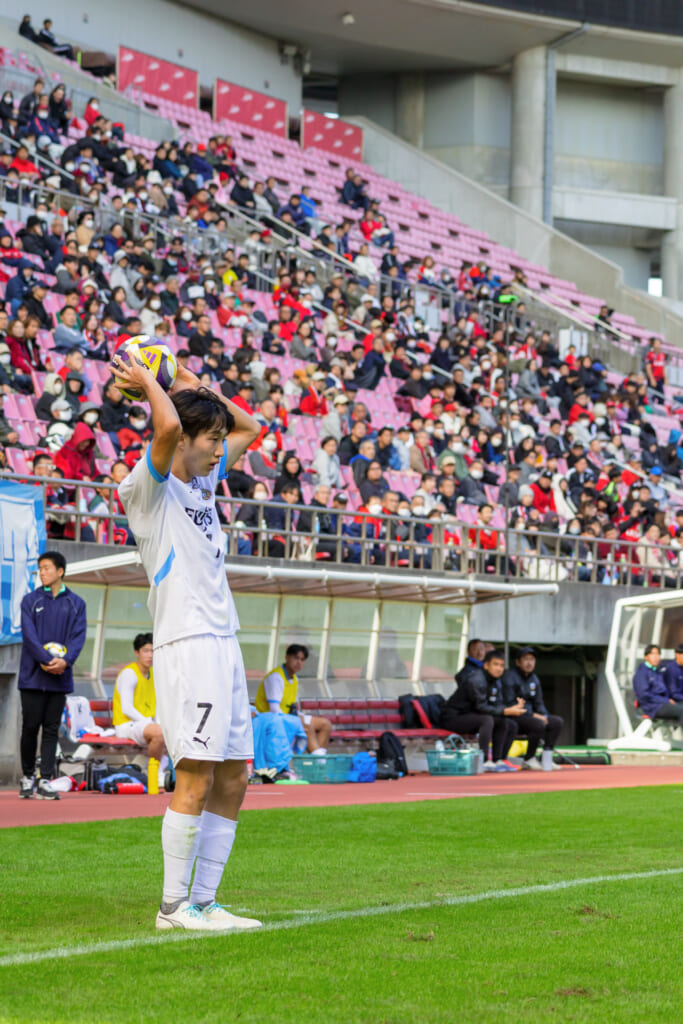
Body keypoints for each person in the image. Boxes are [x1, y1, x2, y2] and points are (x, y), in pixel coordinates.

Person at [114, 348, 263, 933]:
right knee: (197, 773)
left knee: (236, 774)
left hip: (224, 640)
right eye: (213, 441)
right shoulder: (146, 490)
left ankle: (205, 902)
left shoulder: (203, 484)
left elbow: (252, 425)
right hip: (188, 642)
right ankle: (173, 907)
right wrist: (154, 382)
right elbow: (167, 428)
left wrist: (187, 381)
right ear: (185, 441)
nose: (223, 449)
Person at [18, 551, 87, 800]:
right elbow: (29, 637)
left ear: (60, 571)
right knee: (30, 728)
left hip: (60, 678)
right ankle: (28, 777)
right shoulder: (30, 601)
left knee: (51, 730)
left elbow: (78, 637)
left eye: (47, 568)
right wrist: (47, 661)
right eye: (40, 569)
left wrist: (65, 662)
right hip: (32, 677)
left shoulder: (76, 603)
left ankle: (45, 780)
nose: (42, 572)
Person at [439, 645, 524, 772]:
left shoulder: (496, 681)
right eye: (495, 664)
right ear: (486, 665)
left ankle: (499, 760)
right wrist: (506, 711)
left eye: (501, 666)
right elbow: (481, 706)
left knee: (508, 723)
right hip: (453, 718)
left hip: (472, 716)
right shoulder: (476, 680)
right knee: (487, 720)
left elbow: (497, 704)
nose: (499, 669)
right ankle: (484, 761)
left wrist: (512, 708)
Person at [255, 645, 331, 755]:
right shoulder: (276, 677)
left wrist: (298, 717)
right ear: (287, 657)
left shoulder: (294, 679)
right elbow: (274, 709)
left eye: (302, 660)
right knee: (306, 726)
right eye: (296, 658)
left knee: (325, 724)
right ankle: (319, 759)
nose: (299, 662)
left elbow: (290, 706)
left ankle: (318, 757)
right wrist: (295, 721)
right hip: (269, 718)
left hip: (286, 716)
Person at [502, 648, 563, 769]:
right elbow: (510, 702)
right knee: (538, 724)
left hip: (532, 716)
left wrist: (544, 715)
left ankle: (546, 758)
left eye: (532, 659)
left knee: (557, 722)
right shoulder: (509, 677)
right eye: (526, 659)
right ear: (518, 662)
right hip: (515, 716)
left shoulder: (534, 678)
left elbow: (539, 702)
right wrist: (533, 715)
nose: (529, 663)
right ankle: (529, 758)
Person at [112, 633, 165, 768]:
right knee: (159, 733)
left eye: (153, 651)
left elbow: (157, 706)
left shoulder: (154, 674)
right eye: (145, 651)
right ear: (137, 652)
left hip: (144, 725)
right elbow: (126, 708)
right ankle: (155, 771)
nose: (150, 655)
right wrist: (150, 724)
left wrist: (157, 724)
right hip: (127, 725)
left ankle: (143, 769)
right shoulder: (129, 673)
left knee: (170, 733)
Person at [633, 644, 683, 729]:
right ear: (646, 657)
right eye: (653, 654)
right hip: (653, 707)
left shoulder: (657, 671)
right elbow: (644, 695)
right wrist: (666, 700)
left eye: (658, 654)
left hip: (662, 704)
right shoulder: (642, 673)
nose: (656, 657)